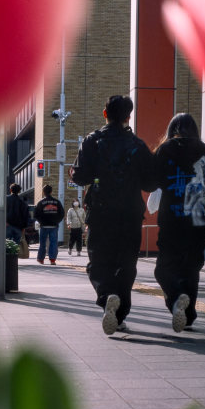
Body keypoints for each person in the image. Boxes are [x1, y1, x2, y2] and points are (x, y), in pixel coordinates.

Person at [71, 94, 154, 335]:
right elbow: (150, 182)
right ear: (129, 117)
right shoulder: (138, 146)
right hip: (130, 213)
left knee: (98, 262)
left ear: (105, 113)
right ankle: (119, 315)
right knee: (126, 262)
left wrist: (73, 175)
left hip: (100, 211)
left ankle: (107, 295)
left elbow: (80, 175)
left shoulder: (92, 141)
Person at [148, 113, 205, 332]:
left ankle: (176, 301)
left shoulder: (164, 150)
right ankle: (188, 313)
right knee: (191, 269)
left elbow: (151, 181)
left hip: (172, 221)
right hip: (198, 222)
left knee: (164, 269)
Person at [34, 183, 65, 265]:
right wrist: (56, 221)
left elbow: (36, 214)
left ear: (44, 192)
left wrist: (41, 221)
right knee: (54, 242)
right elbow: (62, 214)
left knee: (42, 243)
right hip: (54, 225)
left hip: (44, 225)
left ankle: (41, 259)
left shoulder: (41, 202)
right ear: (51, 192)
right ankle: (52, 259)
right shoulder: (57, 202)